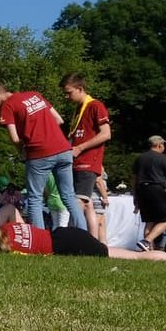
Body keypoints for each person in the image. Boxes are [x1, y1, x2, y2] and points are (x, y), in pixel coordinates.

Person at [0, 80, 85, 232]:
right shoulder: (35, 95)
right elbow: (59, 120)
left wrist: (21, 150)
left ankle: (40, 241)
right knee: (69, 197)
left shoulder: (7, 106)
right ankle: (85, 237)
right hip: (64, 149)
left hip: (39, 153)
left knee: (35, 199)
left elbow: (14, 138)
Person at [61, 74, 111, 241]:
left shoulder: (96, 106)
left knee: (78, 203)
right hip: (76, 162)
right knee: (87, 203)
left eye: (69, 92)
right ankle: (94, 241)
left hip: (87, 163)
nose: (66, 97)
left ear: (80, 89)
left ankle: (68, 239)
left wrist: (80, 147)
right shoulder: (78, 110)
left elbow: (106, 134)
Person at [0, 219, 166, 261]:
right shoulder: (10, 226)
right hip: (64, 233)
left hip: (66, 245)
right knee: (109, 248)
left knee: (134, 257)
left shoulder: (13, 250)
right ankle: (101, 226)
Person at [132, 135, 166, 251]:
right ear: (159, 145)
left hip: (142, 190)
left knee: (149, 220)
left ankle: (149, 250)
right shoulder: (163, 158)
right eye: (163, 145)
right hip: (157, 190)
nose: (164, 147)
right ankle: (146, 241)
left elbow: (135, 179)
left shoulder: (140, 158)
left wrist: (135, 196)